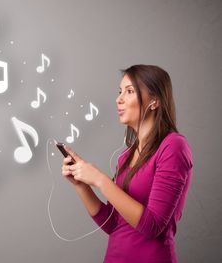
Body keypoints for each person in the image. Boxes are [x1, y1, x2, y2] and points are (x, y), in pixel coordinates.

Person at [61, 64, 193, 263]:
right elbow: (113, 223)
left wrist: (100, 179)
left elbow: (153, 226)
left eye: (129, 91)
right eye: (120, 91)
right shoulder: (126, 156)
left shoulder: (173, 146)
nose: (119, 99)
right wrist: (81, 185)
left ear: (155, 101)